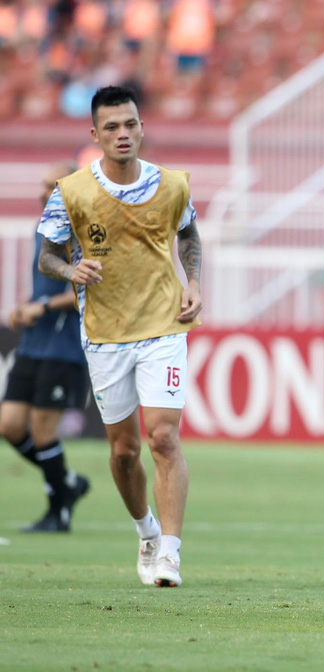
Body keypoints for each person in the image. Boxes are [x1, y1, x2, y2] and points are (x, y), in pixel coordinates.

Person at [37, 86, 203, 588]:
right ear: (95, 134)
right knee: (124, 451)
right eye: (111, 127)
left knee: (164, 437)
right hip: (106, 334)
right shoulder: (71, 192)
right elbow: (45, 257)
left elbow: (189, 234)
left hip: (163, 325)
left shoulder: (172, 185)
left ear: (142, 127)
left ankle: (171, 552)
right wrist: (71, 269)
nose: (123, 134)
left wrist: (193, 281)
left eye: (130, 124)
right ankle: (147, 531)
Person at [1, 161, 90, 533]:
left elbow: (87, 287)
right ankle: (68, 481)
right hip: (35, 341)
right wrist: (25, 307)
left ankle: (58, 512)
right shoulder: (45, 229)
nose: (43, 191)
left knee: (42, 430)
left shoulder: (83, 233)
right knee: (9, 425)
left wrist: (43, 307)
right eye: (42, 184)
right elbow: (44, 290)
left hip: (64, 345)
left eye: (52, 186)